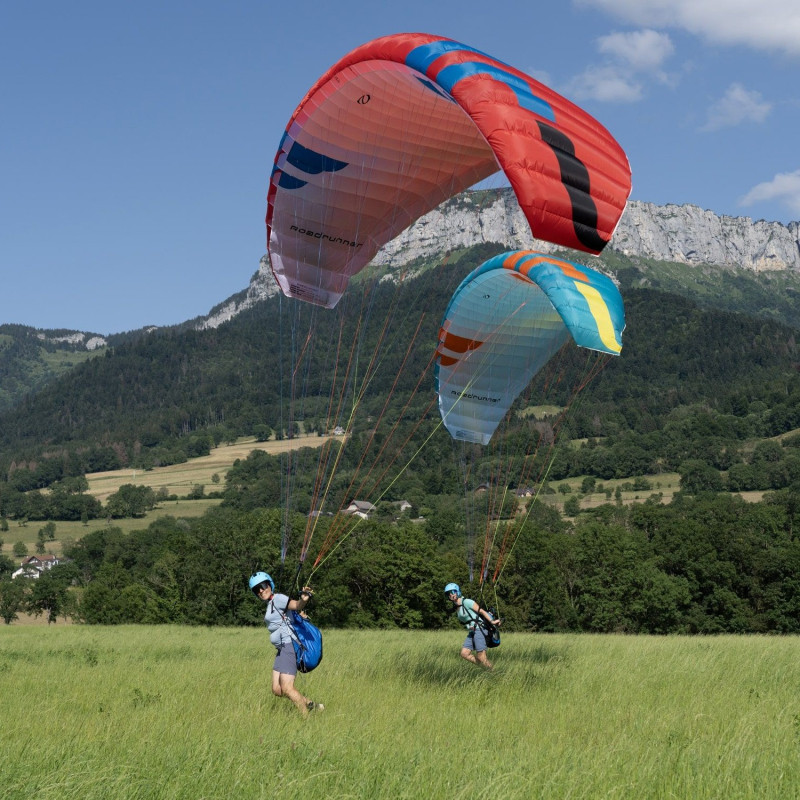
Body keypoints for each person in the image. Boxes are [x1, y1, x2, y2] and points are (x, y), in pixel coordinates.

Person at [249, 571, 324, 716]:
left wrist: (304, 599)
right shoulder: (271, 604)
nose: (261, 591)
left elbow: (296, 605)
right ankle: (312, 705)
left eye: (263, 586)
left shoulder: (278, 599)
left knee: (287, 688)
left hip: (288, 646)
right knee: (277, 689)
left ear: (269, 585)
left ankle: (306, 721)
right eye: (256, 589)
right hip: (281, 650)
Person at [444, 582, 501, 670]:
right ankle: (486, 668)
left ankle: (493, 672)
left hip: (479, 629)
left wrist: (492, 622)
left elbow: (481, 611)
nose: (451, 595)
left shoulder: (467, 602)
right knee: (464, 653)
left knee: (481, 656)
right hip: (472, 631)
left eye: (452, 592)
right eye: (448, 593)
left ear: (457, 591)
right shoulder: (457, 606)